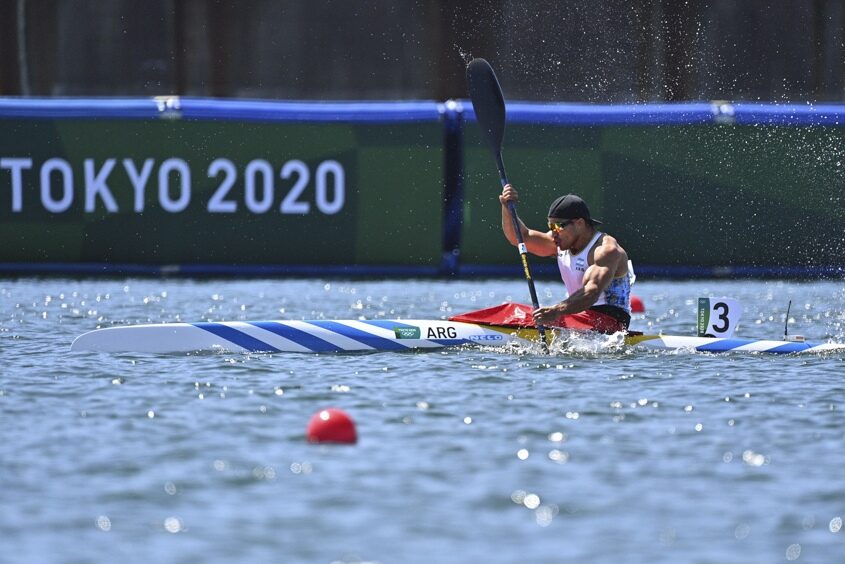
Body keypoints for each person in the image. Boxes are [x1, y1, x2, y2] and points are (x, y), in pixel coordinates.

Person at [499, 184, 633, 334]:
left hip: (609, 323)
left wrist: (556, 311)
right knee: (511, 310)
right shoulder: (560, 242)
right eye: (550, 226)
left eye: (558, 226)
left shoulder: (605, 250)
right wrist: (507, 207)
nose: (553, 232)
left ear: (580, 223)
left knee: (522, 316)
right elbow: (520, 237)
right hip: (578, 315)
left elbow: (591, 293)